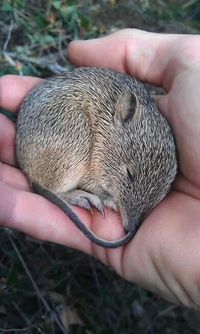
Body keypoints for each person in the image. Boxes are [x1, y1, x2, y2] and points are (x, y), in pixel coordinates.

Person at [0, 29, 200, 307]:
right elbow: (102, 163)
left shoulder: (145, 137)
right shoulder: (112, 130)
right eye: (129, 176)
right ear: (123, 114)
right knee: (77, 135)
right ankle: (57, 186)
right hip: (52, 126)